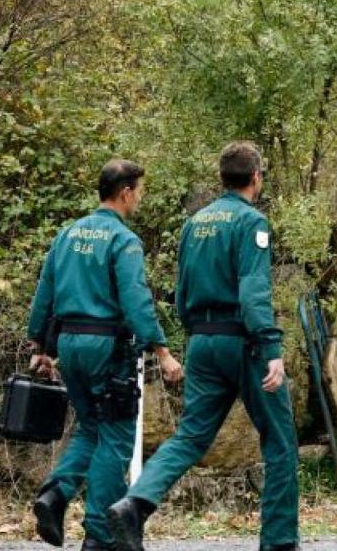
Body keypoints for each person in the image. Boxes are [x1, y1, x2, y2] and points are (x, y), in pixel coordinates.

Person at [106, 141, 299, 551]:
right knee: (280, 441)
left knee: (191, 436)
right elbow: (253, 293)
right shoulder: (252, 223)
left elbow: (181, 292)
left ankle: (135, 503)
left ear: (222, 178)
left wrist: (199, 335)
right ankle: (280, 542)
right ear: (256, 178)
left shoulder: (194, 225)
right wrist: (270, 348)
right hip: (243, 344)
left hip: (202, 342)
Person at [26, 159, 182, 551]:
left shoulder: (67, 234)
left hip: (69, 347)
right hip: (107, 349)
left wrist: (40, 348)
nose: (140, 199)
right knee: (115, 437)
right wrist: (162, 350)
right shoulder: (123, 241)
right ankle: (99, 534)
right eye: (140, 191)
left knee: (91, 428)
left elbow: (45, 293)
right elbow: (136, 299)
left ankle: (54, 495)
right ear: (126, 191)